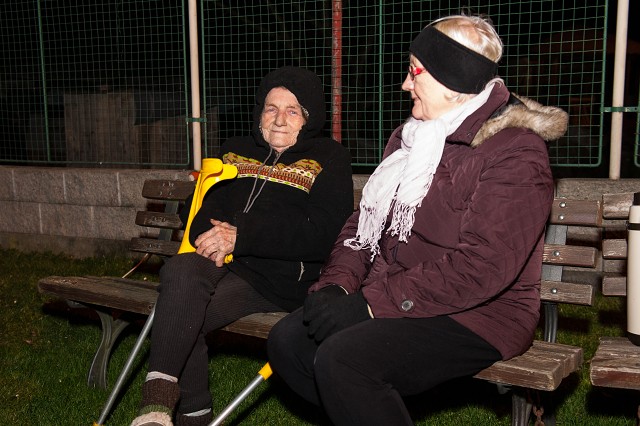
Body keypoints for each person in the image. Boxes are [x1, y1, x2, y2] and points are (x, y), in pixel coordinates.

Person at [267, 14, 568, 426]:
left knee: (345, 360)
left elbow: (483, 266)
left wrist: (370, 305)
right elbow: (363, 226)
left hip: (482, 314)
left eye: (414, 72)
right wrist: (337, 286)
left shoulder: (515, 151)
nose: (405, 84)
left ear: (451, 81)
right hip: (401, 294)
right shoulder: (410, 138)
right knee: (288, 341)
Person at [130, 66, 354, 426]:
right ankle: (157, 406)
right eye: (271, 108)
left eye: (292, 111)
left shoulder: (329, 158)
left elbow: (322, 231)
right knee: (182, 272)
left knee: (182, 314)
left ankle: (189, 415)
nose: (279, 120)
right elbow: (200, 208)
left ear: (308, 118)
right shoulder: (235, 149)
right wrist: (220, 236)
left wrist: (242, 235)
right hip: (223, 259)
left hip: (278, 278)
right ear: (259, 113)